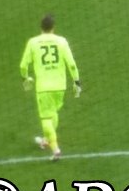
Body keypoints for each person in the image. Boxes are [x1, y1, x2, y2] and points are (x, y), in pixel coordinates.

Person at [18, 13, 82, 159]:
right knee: (53, 113)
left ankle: (55, 150)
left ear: (41, 27)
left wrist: (25, 78)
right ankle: (47, 140)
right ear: (53, 27)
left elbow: (23, 65)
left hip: (44, 87)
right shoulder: (62, 41)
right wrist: (76, 81)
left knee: (46, 118)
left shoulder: (33, 42)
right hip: (60, 86)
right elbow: (71, 64)